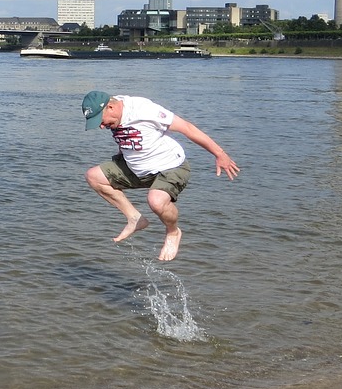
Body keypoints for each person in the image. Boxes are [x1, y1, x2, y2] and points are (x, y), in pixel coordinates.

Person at [81, 90, 239, 261]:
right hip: (137, 169)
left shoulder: (143, 110)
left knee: (156, 201)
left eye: (101, 121)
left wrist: (220, 154)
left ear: (111, 107)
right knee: (93, 176)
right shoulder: (114, 112)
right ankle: (135, 218)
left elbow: (187, 128)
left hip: (170, 167)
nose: (101, 126)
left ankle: (173, 232)